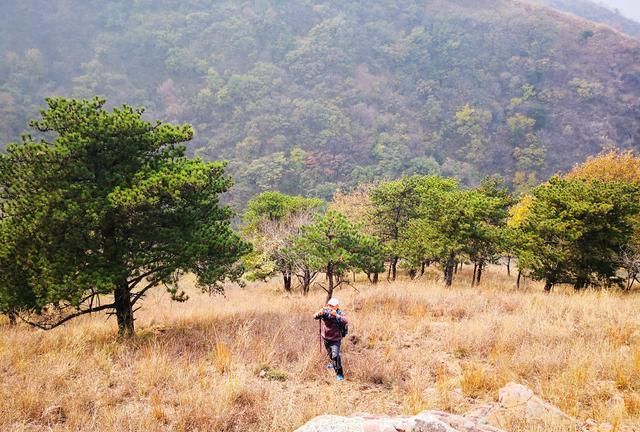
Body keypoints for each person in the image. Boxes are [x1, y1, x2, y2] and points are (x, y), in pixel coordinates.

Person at [314, 297, 348, 381]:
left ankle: (339, 374)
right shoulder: (326, 312)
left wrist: (336, 315)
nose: (330, 307)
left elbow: (345, 321)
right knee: (330, 354)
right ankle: (333, 364)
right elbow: (315, 317)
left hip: (336, 339)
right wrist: (319, 313)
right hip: (326, 337)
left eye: (332, 306)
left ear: (337, 306)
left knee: (335, 356)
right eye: (329, 305)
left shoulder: (340, 313)